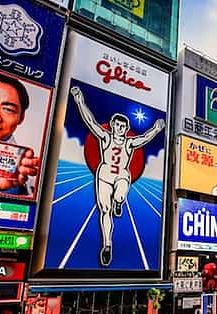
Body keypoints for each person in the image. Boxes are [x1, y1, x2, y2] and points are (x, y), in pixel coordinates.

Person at [69, 86, 165, 266]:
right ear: (113, 125)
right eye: (117, 125)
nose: (120, 128)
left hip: (121, 174)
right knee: (105, 210)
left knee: (120, 193)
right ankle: (107, 244)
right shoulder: (105, 138)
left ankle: (119, 202)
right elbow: (90, 121)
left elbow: (145, 138)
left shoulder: (129, 143)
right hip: (104, 174)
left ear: (126, 128)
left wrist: (156, 129)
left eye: (123, 126)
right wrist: (79, 100)